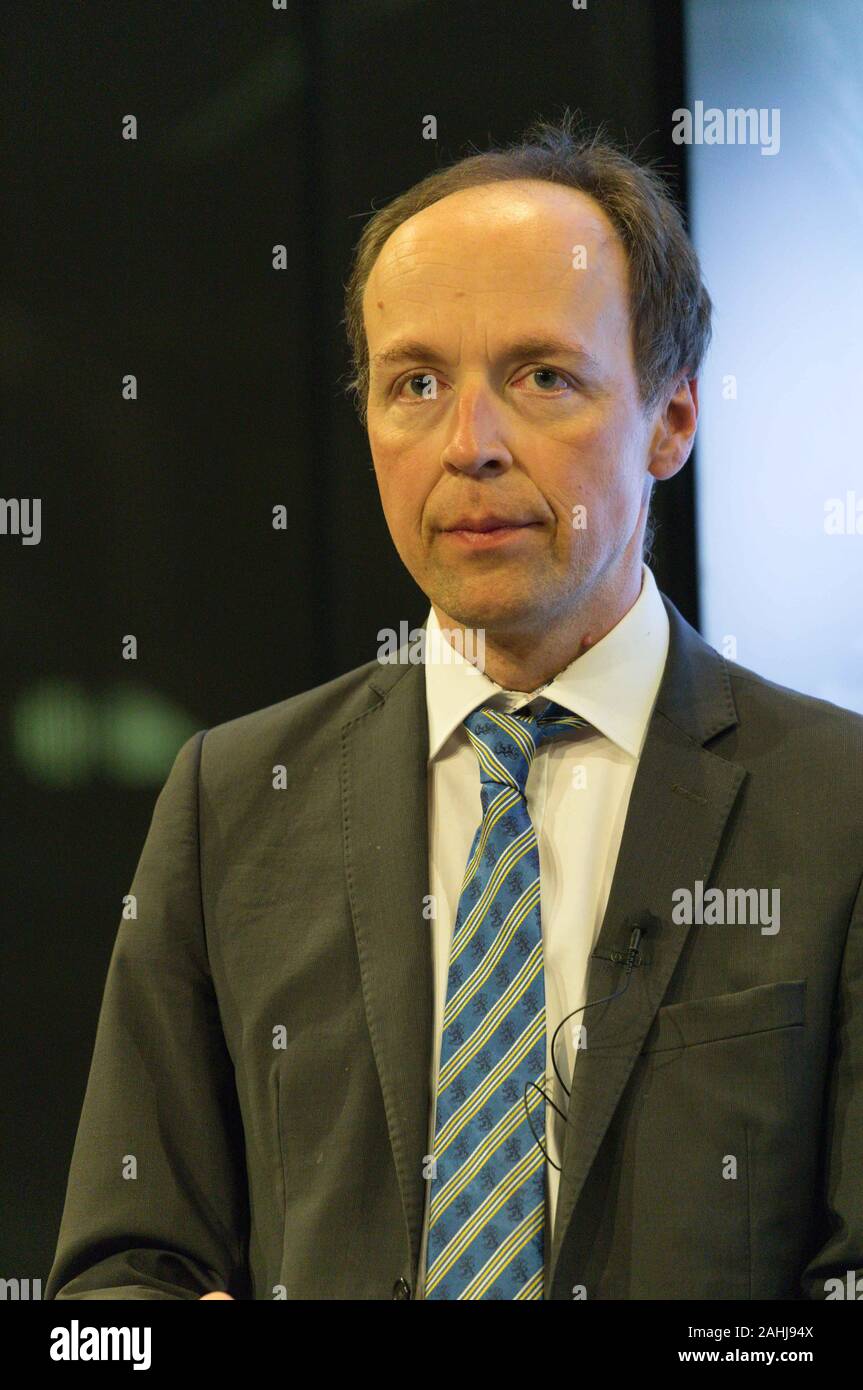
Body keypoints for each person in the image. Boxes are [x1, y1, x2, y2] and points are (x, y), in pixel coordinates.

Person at [47, 114, 863, 1301]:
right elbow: (105, 1298)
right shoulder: (232, 801)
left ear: (673, 416)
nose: (467, 445)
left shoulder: (835, 807)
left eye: (539, 377)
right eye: (415, 383)